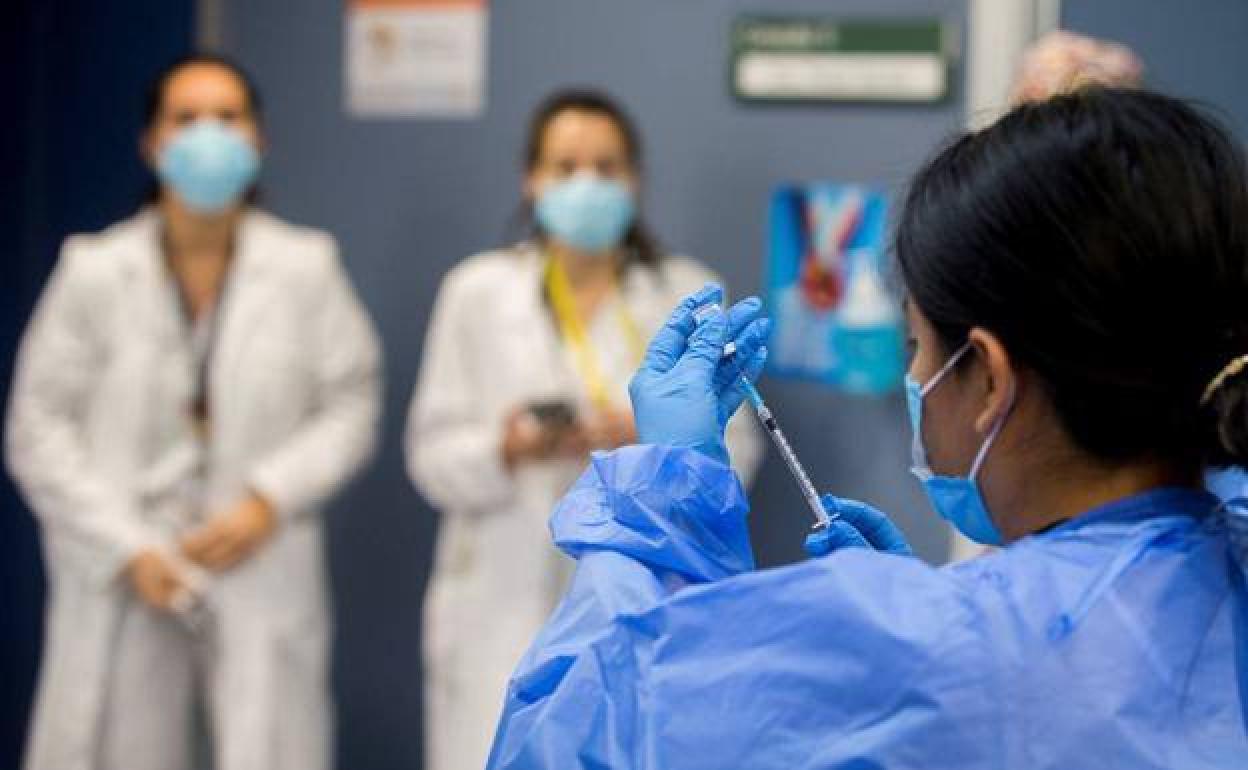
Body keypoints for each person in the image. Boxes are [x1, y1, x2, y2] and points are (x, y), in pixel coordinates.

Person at [486, 87, 1248, 768]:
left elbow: (561, 740)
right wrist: (934, 603)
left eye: (915, 345)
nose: (914, 377)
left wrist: (665, 496)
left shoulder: (916, 649)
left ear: (987, 375)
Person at [6, 54, 381, 770]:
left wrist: (268, 499)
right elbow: (37, 427)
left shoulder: (306, 267)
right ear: (152, 142)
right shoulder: (93, 269)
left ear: (258, 138)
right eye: (186, 118)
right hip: (130, 566)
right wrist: (125, 546)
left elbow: (352, 401)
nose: (209, 134)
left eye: (228, 117)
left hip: (254, 553)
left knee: (266, 743)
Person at [405, 88, 762, 770]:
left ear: (636, 180)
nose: (587, 184)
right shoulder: (476, 292)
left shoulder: (684, 292)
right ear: (530, 178)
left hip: (642, 594)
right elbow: (431, 455)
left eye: (607, 167)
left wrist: (646, 436)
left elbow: (735, 455)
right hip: (498, 595)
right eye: (565, 167)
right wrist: (507, 446)